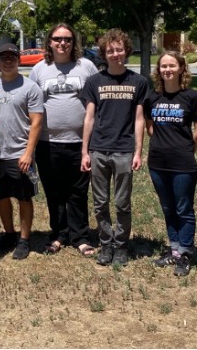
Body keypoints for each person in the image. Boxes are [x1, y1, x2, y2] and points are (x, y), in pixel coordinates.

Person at [80, 28, 149, 266]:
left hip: (124, 150)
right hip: (98, 150)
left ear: (126, 51)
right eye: (110, 50)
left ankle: (121, 246)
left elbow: (139, 119)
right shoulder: (94, 82)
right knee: (100, 202)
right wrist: (85, 151)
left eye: (119, 49)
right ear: (104, 53)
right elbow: (89, 118)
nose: (115, 54)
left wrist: (138, 151)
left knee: (122, 203)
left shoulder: (138, 82)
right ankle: (106, 244)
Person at [30, 23, 99, 256]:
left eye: (67, 39)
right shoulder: (39, 69)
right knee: (54, 191)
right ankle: (59, 234)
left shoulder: (86, 67)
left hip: (80, 142)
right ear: (49, 42)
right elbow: (31, 105)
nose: (62, 43)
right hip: (47, 143)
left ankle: (80, 236)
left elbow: (97, 101)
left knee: (79, 191)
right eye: (58, 39)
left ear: (73, 42)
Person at [146, 50, 197, 276]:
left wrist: (188, 147)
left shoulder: (192, 97)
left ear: (181, 69)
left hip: (183, 163)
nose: (167, 70)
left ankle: (186, 253)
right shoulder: (152, 97)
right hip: (157, 162)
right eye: (163, 66)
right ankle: (175, 249)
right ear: (158, 70)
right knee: (168, 208)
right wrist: (159, 141)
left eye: (172, 66)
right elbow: (149, 124)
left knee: (183, 208)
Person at [0, 43, 44, 260]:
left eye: (12, 57)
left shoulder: (30, 87)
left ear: (19, 60)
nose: (8, 61)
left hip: (21, 153)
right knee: (1, 196)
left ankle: (24, 238)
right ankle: (9, 233)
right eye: (4, 58)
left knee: (24, 197)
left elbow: (37, 122)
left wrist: (28, 152)